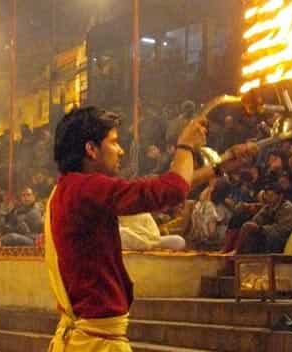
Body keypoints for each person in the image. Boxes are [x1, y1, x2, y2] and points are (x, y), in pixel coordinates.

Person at [44, 106, 228, 351]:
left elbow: (160, 185)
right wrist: (185, 146)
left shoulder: (70, 189)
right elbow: (172, 190)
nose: (121, 151)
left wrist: (218, 167)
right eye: (114, 142)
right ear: (91, 149)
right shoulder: (86, 188)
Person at [230, 181, 292, 254]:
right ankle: (237, 254)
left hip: (285, 238)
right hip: (270, 233)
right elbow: (256, 220)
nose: (268, 198)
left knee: (253, 230)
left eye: (271, 196)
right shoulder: (268, 207)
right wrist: (255, 226)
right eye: (266, 196)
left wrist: (261, 228)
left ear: (280, 196)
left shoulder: (288, 208)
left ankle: (236, 252)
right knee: (246, 226)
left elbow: (283, 230)